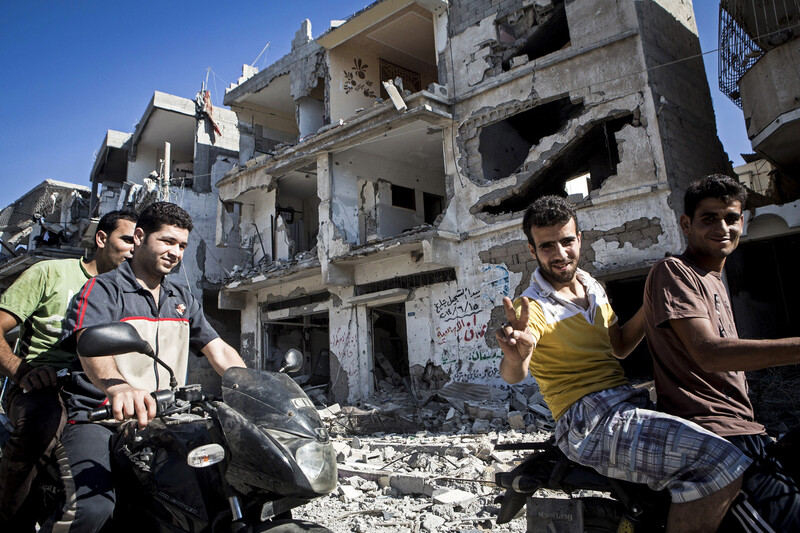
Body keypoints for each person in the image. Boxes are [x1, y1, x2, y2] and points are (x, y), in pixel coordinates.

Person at [496, 195, 751, 533]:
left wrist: (654, 300)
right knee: (720, 460)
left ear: (579, 238)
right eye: (547, 246)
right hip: (587, 419)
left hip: (627, 400)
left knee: (734, 438)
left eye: (567, 241)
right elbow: (514, 374)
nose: (560, 254)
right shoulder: (531, 307)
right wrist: (516, 356)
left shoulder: (592, 287)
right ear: (532, 250)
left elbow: (620, 347)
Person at [42, 201, 245, 533]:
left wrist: (249, 386)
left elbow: (217, 348)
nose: (175, 252)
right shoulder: (102, 290)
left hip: (164, 420)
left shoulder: (182, 298)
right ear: (139, 237)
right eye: (167, 241)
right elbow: (89, 346)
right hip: (102, 418)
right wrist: (118, 387)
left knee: (215, 493)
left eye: (182, 245)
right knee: (92, 508)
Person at [643, 174, 800, 530]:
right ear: (686, 224)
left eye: (731, 218)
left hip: (745, 429)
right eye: (709, 218)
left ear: (743, 221)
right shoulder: (675, 271)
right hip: (717, 436)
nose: (723, 228)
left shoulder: (714, 278)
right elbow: (709, 353)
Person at [0, 209, 137, 532]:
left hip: (98, 391)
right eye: (127, 239)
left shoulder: (134, 292)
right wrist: (22, 371)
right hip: (43, 387)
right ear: (102, 238)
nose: (133, 249)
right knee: (43, 423)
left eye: (139, 242)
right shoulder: (50, 273)